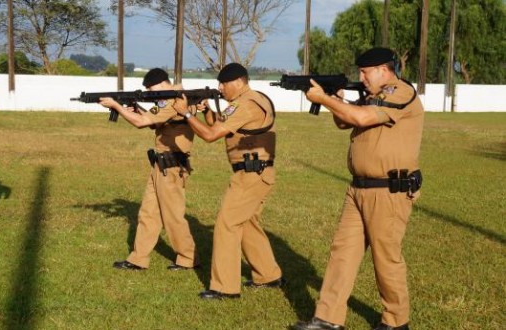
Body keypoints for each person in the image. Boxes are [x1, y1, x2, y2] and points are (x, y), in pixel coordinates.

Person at [291, 47, 424, 330]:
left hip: (389, 189)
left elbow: (362, 118)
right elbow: (345, 120)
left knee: (385, 258)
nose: (361, 77)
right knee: (343, 253)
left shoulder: (400, 93)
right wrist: (335, 100)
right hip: (359, 189)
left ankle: (396, 322)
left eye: (365, 72)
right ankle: (328, 318)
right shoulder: (373, 96)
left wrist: (324, 99)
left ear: (384, 70)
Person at [172, 63, 283, 299]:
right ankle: (268, 274)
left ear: (239, 82)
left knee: (227, 224)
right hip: (257, 172)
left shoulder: (245, 104)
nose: (220, 88)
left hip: (251, 174)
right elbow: (223, 127)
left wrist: (187, 113)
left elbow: (211, 135)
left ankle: (224, 287)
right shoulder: (254, 99)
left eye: (223, 83)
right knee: (247, 223)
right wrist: (207, 111)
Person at [99, 68, 199, 271]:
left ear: (163, 83)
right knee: (148, 214)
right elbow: (155, 122)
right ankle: (138, 259)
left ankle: (189, 258)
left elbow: (141, 123)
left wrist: (117, 106)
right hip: (160, 165)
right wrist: (137, 108)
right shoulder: (168, 101)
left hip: (172, 167)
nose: (152, 94)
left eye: (152, 90)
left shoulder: (176, 99)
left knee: (172, 216)